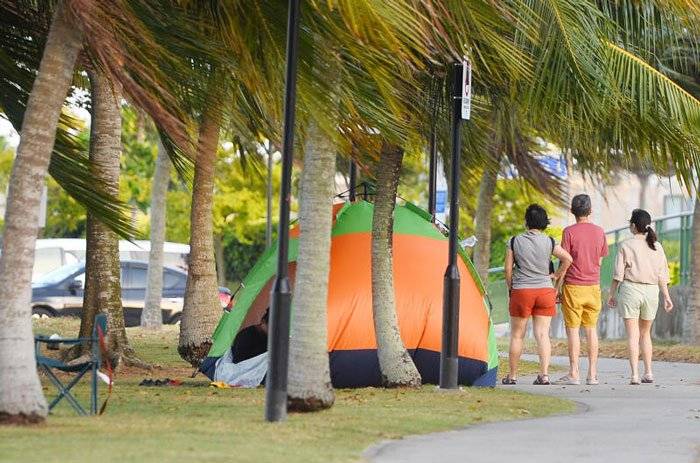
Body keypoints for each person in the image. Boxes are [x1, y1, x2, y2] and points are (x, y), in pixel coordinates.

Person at [502, 204, 573, 385]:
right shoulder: (549, 242)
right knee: (542, 334)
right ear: (544, 222)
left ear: (526, 221)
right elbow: (568, 259)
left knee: (517, 335)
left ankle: (513, 376)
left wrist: (512, 287)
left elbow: (508, 269)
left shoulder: (514, 241)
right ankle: (544, 375)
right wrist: (556, 276)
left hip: (522, 291)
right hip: (544, 291)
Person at [607, 209, 673, 385]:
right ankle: (649, 373)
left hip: (630, 291)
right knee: (645, 334)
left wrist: (611, 294)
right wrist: (666, 297)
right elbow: (662, 275)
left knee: (632, 335)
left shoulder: (625, 245)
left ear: (634, 226)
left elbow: (617, 275)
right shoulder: (657, 246)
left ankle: (635, 375)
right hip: (651, 292)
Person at [555, 194, 608, 386]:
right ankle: (592, 374)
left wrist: (557, 289)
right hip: (593, 287)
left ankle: (574, 373)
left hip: (573, 287)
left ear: (572, 211)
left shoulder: (568, 232)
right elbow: (600, 261)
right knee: (591, 330)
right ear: (590, 211)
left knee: (573, 331)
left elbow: (565, 262)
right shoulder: (600, 232)